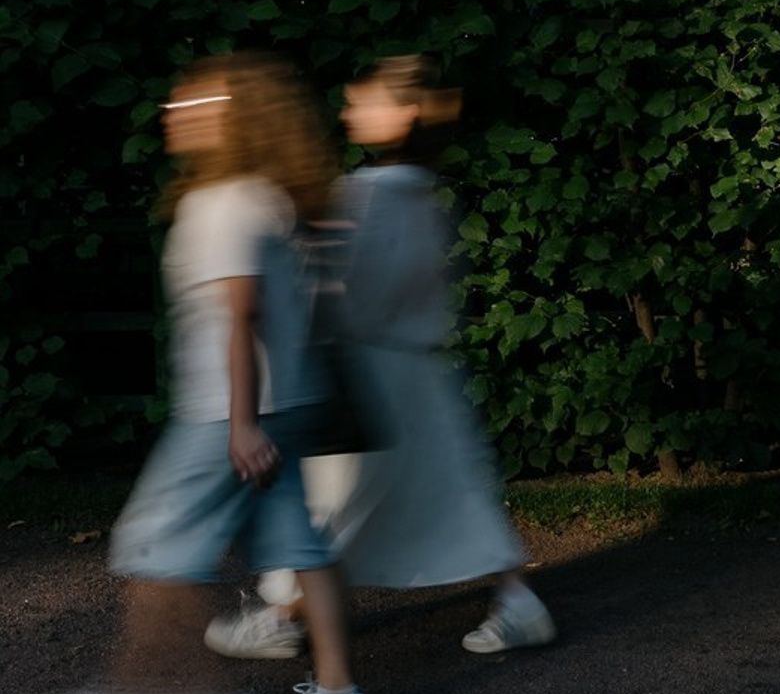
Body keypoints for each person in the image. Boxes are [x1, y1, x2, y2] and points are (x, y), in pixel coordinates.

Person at [13, 54, 375, 694]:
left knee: (156, 544)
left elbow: (241, 316)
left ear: (232, 121)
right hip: (290, 403)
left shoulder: (220, 203)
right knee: (303, 547)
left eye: (193, 109)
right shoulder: (273, 195)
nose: (173, 119)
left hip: (229, 413)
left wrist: (240, 423)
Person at [203, 54, 555, 661]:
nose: (346, 112)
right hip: (418, 367)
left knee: (332, 503)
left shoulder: (363, 193)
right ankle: (518, 602)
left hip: (366, 373)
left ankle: (286, 614)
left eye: (360, 102)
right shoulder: (424, 192)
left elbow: (331, 287)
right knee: (450, 491)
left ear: (403, 115)